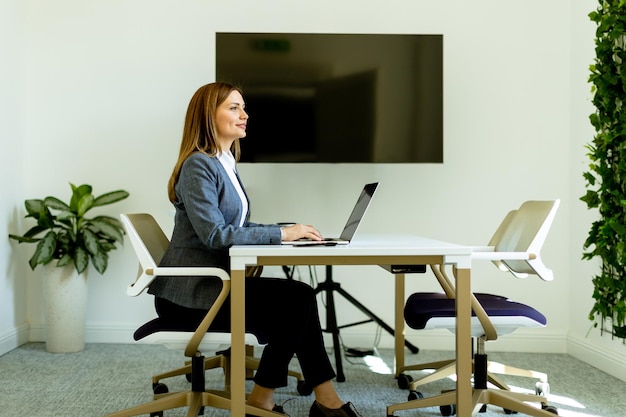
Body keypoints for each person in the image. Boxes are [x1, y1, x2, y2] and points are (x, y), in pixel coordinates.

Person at [148, 81, 361, 417]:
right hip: (189, 297)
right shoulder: (198, 166)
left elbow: (240, 226)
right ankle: (273, 402)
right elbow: (216, 235)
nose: (245, 115)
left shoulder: (224, 162)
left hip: (213, 287)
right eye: (234, 107)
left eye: (243, 107)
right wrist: (283, 234)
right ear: (208, 115)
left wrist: (287, 231)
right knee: (296, 303)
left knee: (301, 296)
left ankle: (322, 400)